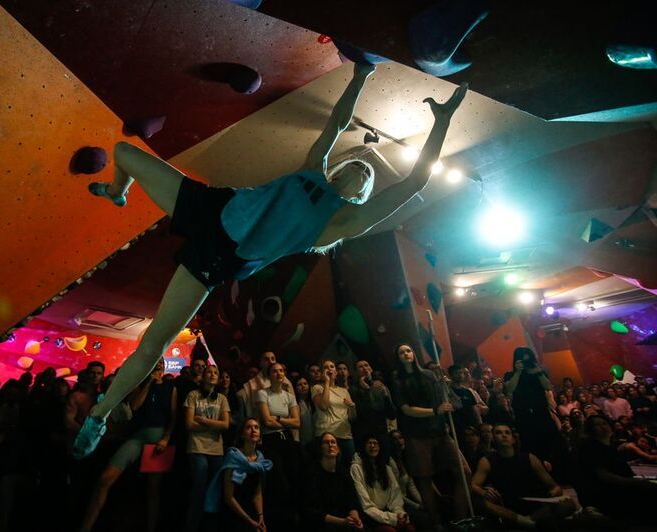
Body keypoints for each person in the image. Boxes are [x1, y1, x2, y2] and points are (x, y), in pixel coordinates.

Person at [73, 63, 469, 458]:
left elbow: (415, 180)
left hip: (220, 255)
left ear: (364, 196)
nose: (364, 169)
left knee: (154, 341)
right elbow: (336, 123)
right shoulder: (315, 168)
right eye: (360, 164)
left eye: (369, 177)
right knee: (124, 152)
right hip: (214, 206)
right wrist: (360, 75)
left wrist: (442, 122)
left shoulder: (342, 223)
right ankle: (116, 191)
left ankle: (100, 417)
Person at [79, 358, 177, 532]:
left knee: (153, 490)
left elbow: (173, 417)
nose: (159, 365)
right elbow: (134, 406)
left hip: (159, 439)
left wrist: (166, 438)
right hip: (138, 437)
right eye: (156, 362)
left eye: (162, 363)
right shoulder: (141, 385)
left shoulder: (171, 388)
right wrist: (149, 383)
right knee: (105, 478)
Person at [392, 343, 468, 527]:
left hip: (440, 431)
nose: (406, 354)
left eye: (408, 350)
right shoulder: (397, 380)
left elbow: (444, 401)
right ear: (398, 357)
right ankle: (436, 524)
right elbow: (406, 410)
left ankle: (462, 519)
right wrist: (435, 411)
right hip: (417, 434)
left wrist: (446, 400)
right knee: (425, 478)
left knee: (464, 472)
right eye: (401, 352)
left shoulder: (429, 375)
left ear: (414, 354)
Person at [471, 424, 575, 529]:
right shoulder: (487, 461)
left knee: (568, 503)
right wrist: (484, 492)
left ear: (513, 439)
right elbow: (474, 485)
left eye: (507, 432)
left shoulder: (529, 458)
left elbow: (554, 486)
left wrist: (554, 492)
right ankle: (524, 521)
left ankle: (527, 521)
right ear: (493, 438)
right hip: (507, 506)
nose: (504, 435)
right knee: (479, 501)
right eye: (498, 433)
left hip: (534, 503)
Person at [575, 415, 657, 524]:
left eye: (604, 423)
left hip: (621, 485)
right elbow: (603, 475)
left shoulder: (610, 446)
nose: (602, 426)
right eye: (597, 425)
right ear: (590, 429)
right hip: (606, 492)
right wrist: (634, 482)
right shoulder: (591, 447)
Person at [503, 347, 566, 473]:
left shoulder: (538, 373)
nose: (526, 363)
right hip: (523, 415)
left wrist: (539, 372)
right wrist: (518, 372)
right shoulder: (510, 374)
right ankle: (537, 473)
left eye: (528, 359)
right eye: (523, 360)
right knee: (529, 445)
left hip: (541, 413)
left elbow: (548, 386)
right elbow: (510, 389)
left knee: (553, 442)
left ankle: (559, 472)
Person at [184, 364, 231, 532]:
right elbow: (189, 423)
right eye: (209, 372)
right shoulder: (193, 395)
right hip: (197, 447)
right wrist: (214, 425)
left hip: (216, 449)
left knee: (214, 491)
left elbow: (225, 425)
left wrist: (204, 421)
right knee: (199, 489)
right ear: (203, 376)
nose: (212, 374)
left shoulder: (222, 399)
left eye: (215, 372)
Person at [255, 362, 302, 529]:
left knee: (293, 477)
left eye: (282, 370)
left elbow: (297, 422)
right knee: (278, 481)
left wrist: (279, 419)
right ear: (269, 375)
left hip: (287, 439)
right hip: (271, 441)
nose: (279, 373)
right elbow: (266, 421)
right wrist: (284, 421)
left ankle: (293, 520)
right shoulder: (262, 394)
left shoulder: (289, 396)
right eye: (275, 371)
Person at [204, 418, 273, 532]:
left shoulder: (260, 460)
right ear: (242, 435)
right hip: (233, 511)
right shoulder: (234, 457)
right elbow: (228, 497)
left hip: (249, 509)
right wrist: (249, 521)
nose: (253, 430)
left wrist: (260, 517)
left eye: (256, 427)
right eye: (249, 427)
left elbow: (257, 493)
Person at [302, 433, 364, 531]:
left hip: (344, 520)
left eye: (333, 442)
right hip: (321, 524)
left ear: (338, 449)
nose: (330, 445)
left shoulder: (343, 472)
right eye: (326, 442)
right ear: (320, 448)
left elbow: (352, 499)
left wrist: (355, 517)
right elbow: (311, 510)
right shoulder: (311, 472)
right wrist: (342, 522)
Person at [350, 435, 413, 531]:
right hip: (370, 515)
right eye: (369, 443)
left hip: (388, 512)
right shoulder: (357, 468)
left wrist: (399, 514)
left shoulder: (386, 469)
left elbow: (395, 496)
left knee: (409, 528)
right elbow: (366, 505)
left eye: (375, 443)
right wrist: (392, 518)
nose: (372, 446)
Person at [313, 359, 357, 466]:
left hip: (345, 435)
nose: (329, 369)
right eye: (326, 367)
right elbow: (323, 405)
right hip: (327, 434)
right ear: (322, 373)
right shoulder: (317, 388)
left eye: (332, 367)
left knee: (350, 466)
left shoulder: (344, 391)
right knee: (331, 467)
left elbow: (352, 417)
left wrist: (352, 407)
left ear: (336, 373)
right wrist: (327, 382)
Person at [350, 359, 397, 449]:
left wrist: (386, 397)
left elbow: (392, 414)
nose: (364, 368)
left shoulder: (380, 386)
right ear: (355, 372)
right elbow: (363, 412)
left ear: (371, 369)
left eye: (366, 365)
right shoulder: (353, 389)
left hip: (381, 431)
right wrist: (367, 390)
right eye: (360, 367)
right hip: (364, 434)